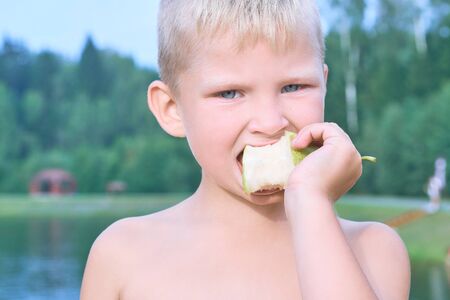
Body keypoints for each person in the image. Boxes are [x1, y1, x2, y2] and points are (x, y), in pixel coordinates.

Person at [80, 0, 411, 298]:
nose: (270, 122)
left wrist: (310, 200)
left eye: (293, 86)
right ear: (171, 109)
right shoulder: (122, 255)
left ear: (324, 85)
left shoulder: (373, 249)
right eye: (230, 93)